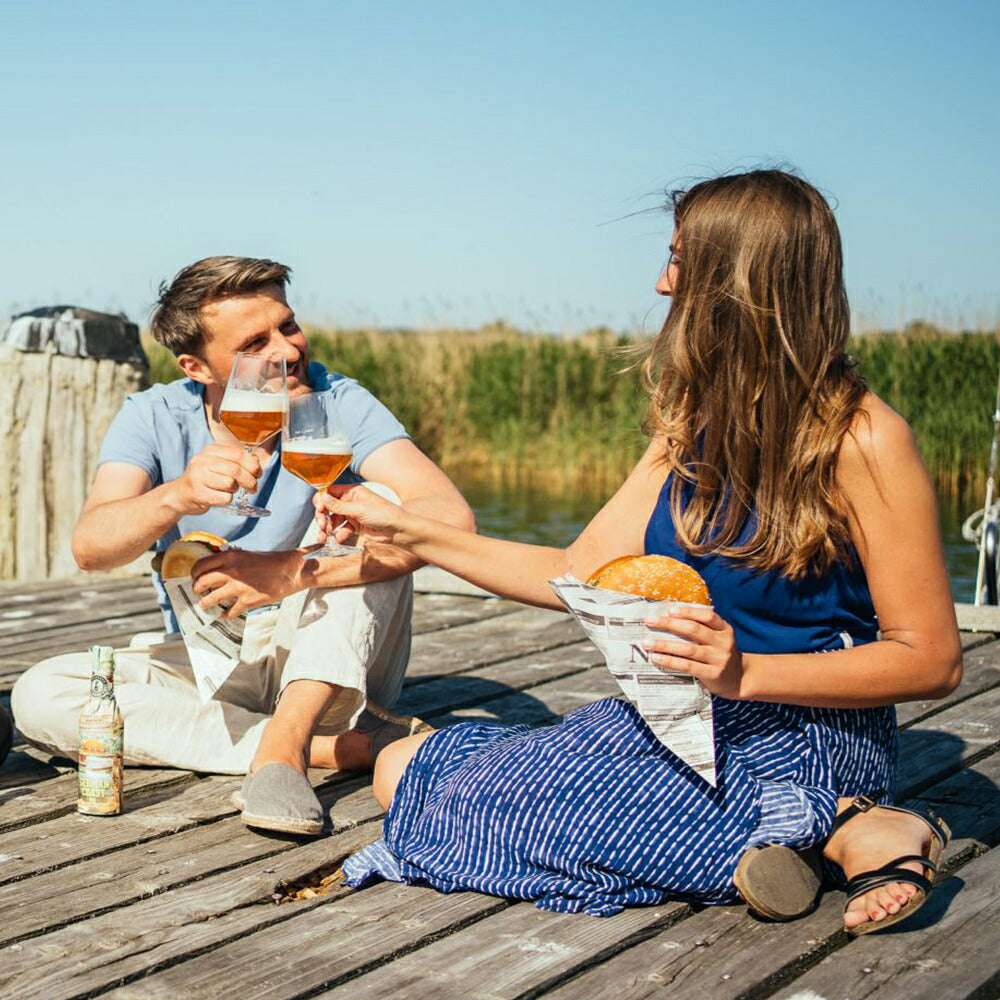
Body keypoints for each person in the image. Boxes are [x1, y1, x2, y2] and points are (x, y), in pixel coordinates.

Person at [317, 170, 962, 932]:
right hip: (684, 717)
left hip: (807, 736)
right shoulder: (692, 423)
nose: (662, 285)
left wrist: (746, 672)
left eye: (680, 261)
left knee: (479, 801)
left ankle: (849, 820)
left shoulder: (864, 439)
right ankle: (815, 838)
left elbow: (932, 659)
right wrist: (417, 536)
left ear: (739, 283)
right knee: (407, 774)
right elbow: (575, 574)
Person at [11, 256, 475, 836]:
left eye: (288, 324)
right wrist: (175, 495)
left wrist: (294, 572)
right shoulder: (153, 415)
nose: (287, 350)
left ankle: (284, 749)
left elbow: (451, 520)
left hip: (330, 661)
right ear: (197, 366)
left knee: (378, 500)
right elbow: (90, 548)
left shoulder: (339, 402)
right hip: (211, 660)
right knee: (40, 696)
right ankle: (339, 749)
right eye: (256, 342)